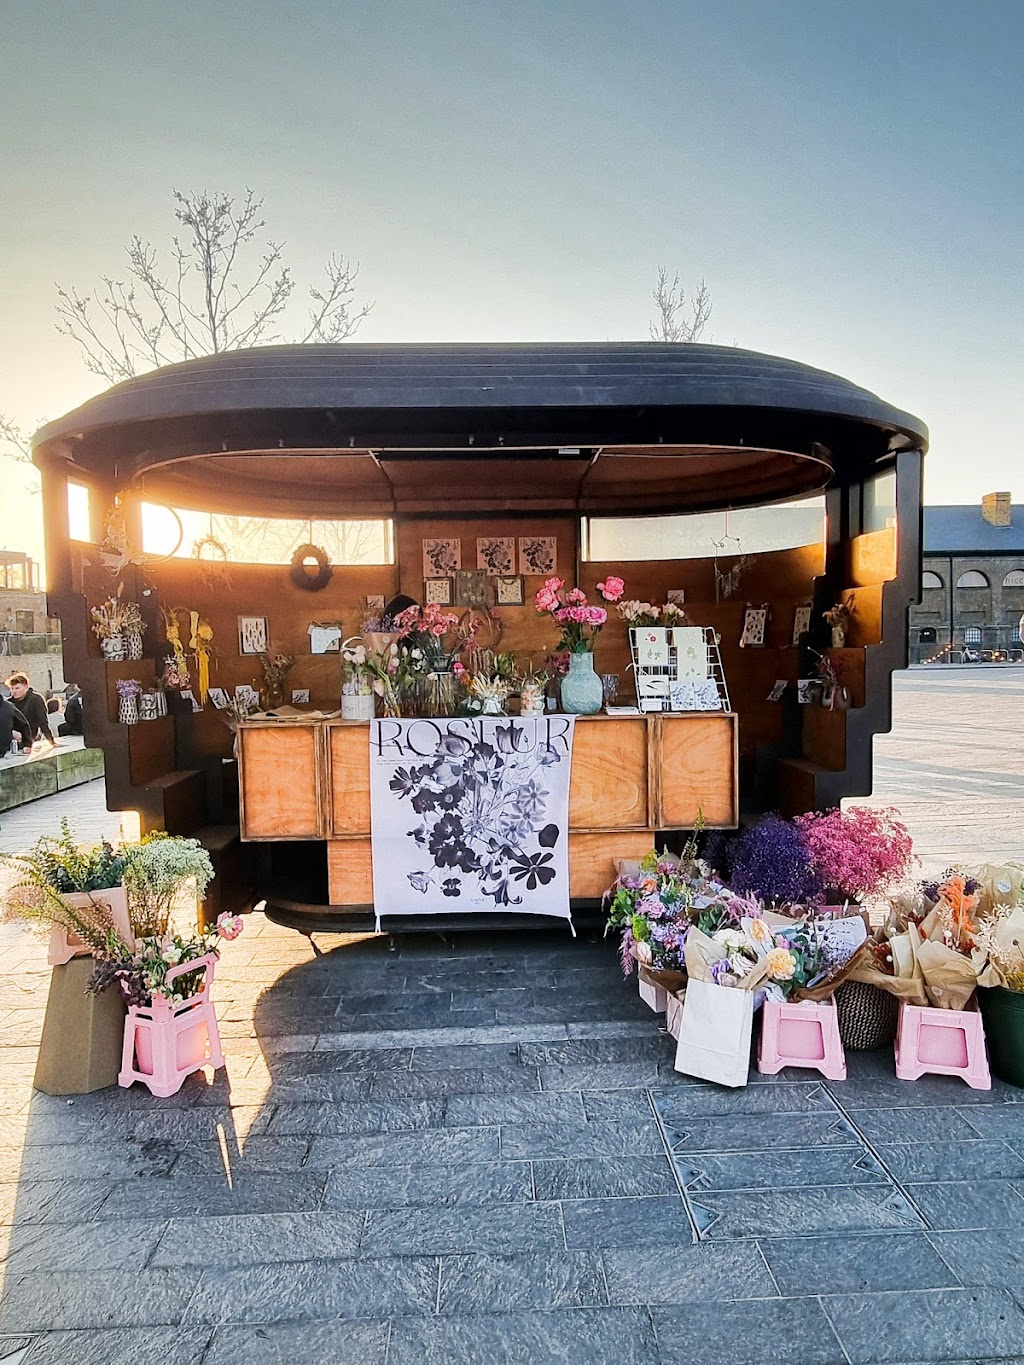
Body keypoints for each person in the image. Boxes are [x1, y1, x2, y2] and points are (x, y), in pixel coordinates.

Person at [5, 672, 56, 745]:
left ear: (26, 687)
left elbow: (43, 721)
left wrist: (51, 741)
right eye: (12, 688)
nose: (14, 691)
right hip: (11, 737)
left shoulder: (36, 699)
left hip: (29, 737)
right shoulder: (8, 703)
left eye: (17, 688)